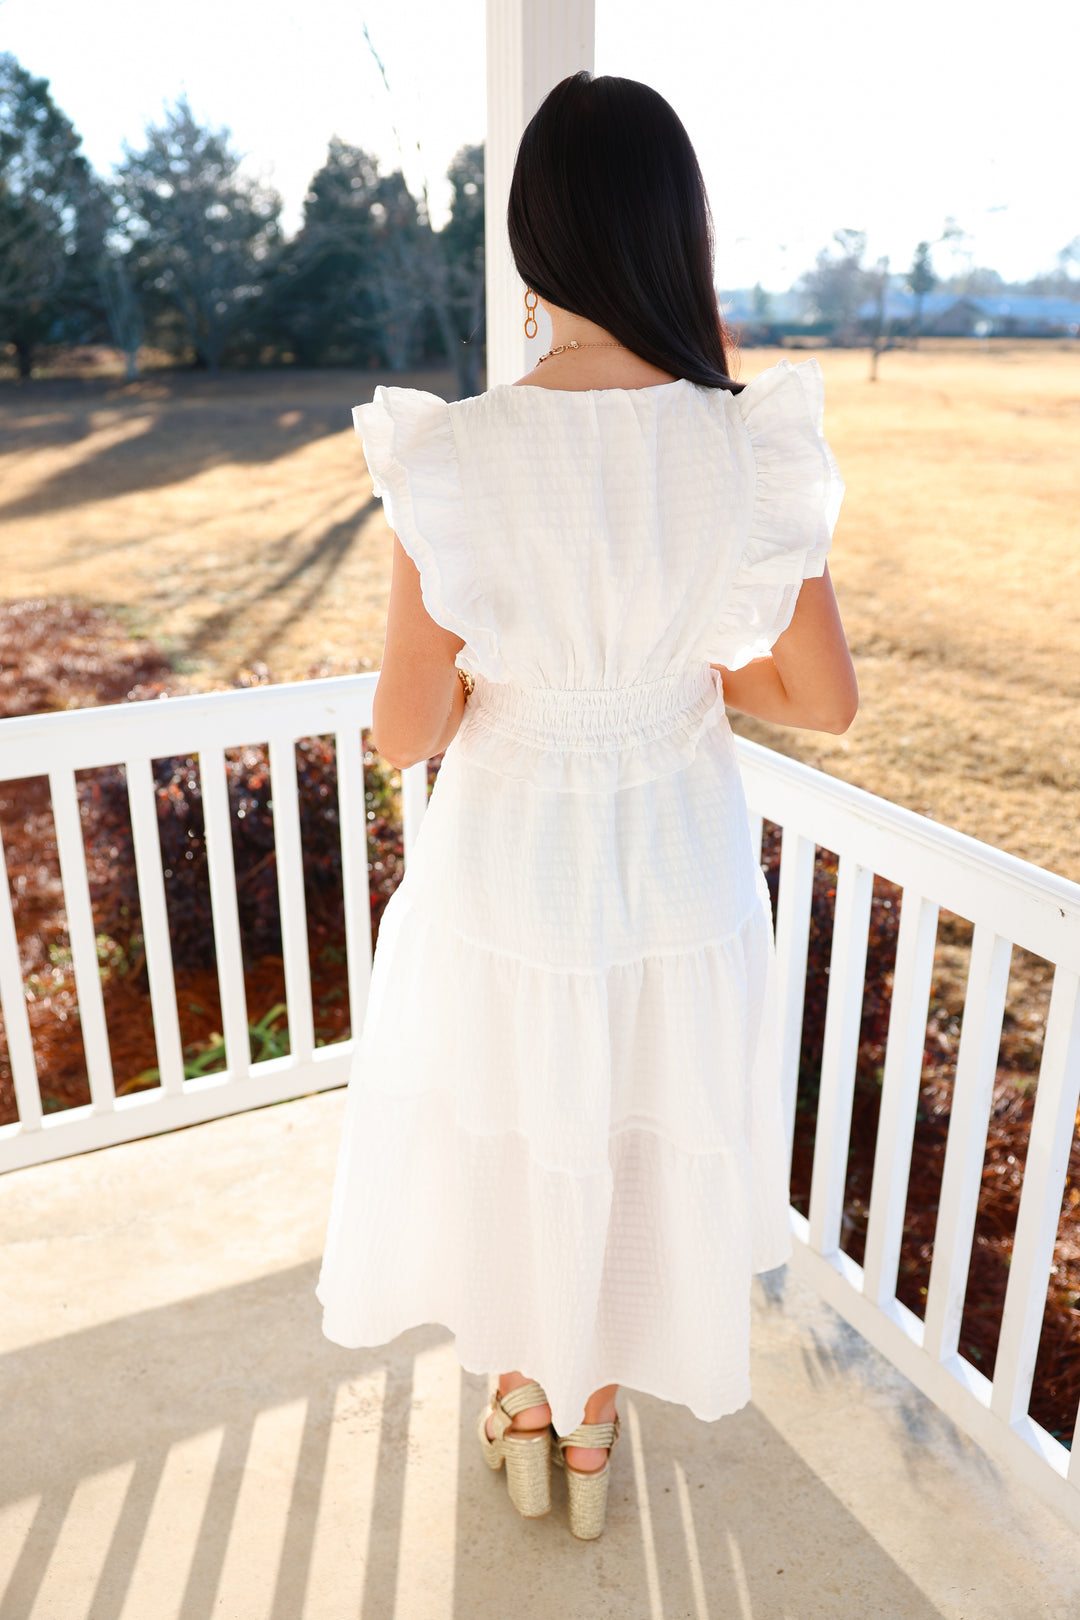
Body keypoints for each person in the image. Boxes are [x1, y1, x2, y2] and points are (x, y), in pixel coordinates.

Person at [316, 70, 857, 1542]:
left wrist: (537, 689)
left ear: (534, 235)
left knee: (512, 1123)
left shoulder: (459, 457)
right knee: (635, 1123)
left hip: (511, 861)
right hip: (675, 858)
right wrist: (677, 677)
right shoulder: (749, 444)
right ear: (677, 232)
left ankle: (529, 1402)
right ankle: (599, 1429)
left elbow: (405, 726)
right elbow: (821, 700)